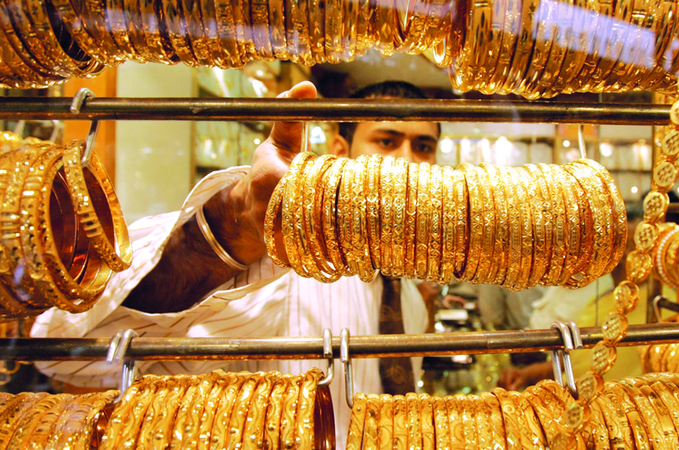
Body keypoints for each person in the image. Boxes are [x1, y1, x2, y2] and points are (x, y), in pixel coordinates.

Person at [31, 80, 441, 449]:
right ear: (339, 151)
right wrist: (235, 223)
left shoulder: (409, 299)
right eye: (387, 141)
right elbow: (71, 354)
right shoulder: (278, 274)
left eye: (424, 146)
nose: (409, 161)